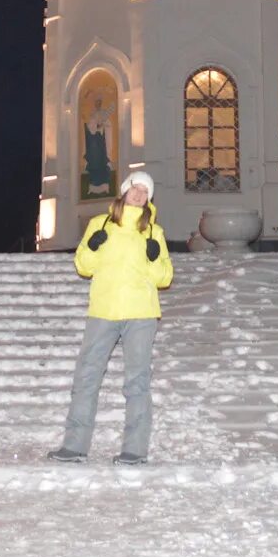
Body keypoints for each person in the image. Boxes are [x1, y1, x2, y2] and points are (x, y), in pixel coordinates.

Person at [47, 169, 173, 464]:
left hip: (141, 314)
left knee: (137, 382)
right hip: (103, 311)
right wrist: (93, 246)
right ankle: (75, 445)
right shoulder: (99, 224)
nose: (139, 195)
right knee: (87, 377)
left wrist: (154, 258)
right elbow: (83, 265)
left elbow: (165, 277)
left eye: (145, 191)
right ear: (125, 191)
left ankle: (135, 449)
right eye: (135, 189)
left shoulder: (154, 232)